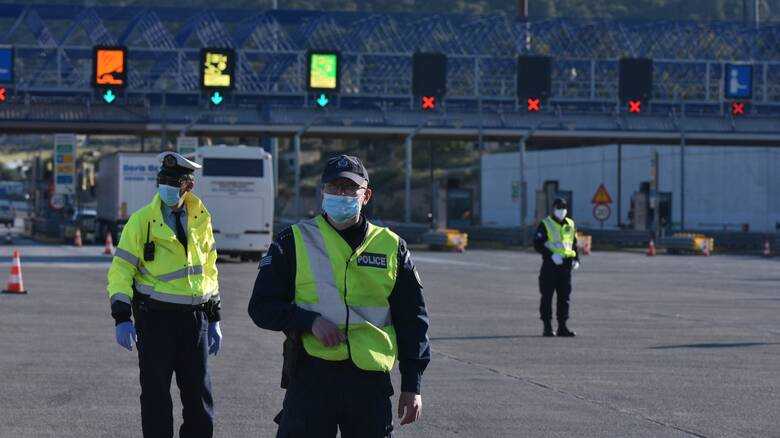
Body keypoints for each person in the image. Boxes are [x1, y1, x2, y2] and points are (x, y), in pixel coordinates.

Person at [248, 154, 430, 438]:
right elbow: (261, 307)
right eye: (334, 188)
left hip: (369, 381)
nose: (341, 194)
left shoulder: (392, 247)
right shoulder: (293, 241)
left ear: (366, 195)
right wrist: (308, 320)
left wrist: (412, 385)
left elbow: (413, 320)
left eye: (349, 188)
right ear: (323, 192)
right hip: (312, 375)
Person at [106, 152, 223, 438]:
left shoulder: (201, 218)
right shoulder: (141, 221)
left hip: (195, 321)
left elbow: (209, 269)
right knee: (156, 397)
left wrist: (215, 317)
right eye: (163, 180)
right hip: (155, 319)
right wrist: (121, 316)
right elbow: (121, 270)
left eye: (174, 181)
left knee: (199, 398)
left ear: (188, 186)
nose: (167, 186)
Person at [533, 197, 579, 337]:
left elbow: (573, 244)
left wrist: (576, 259)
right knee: (547, 296)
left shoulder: (570, 224)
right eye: (559, 208)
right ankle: (547, 327)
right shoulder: (546, 224)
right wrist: (551, 255)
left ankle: (562, 327)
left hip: (565, 266)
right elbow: (537, 244)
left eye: (564, 208)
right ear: (553, 209)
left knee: (564, 297)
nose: (562, 210)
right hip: (550, 265)